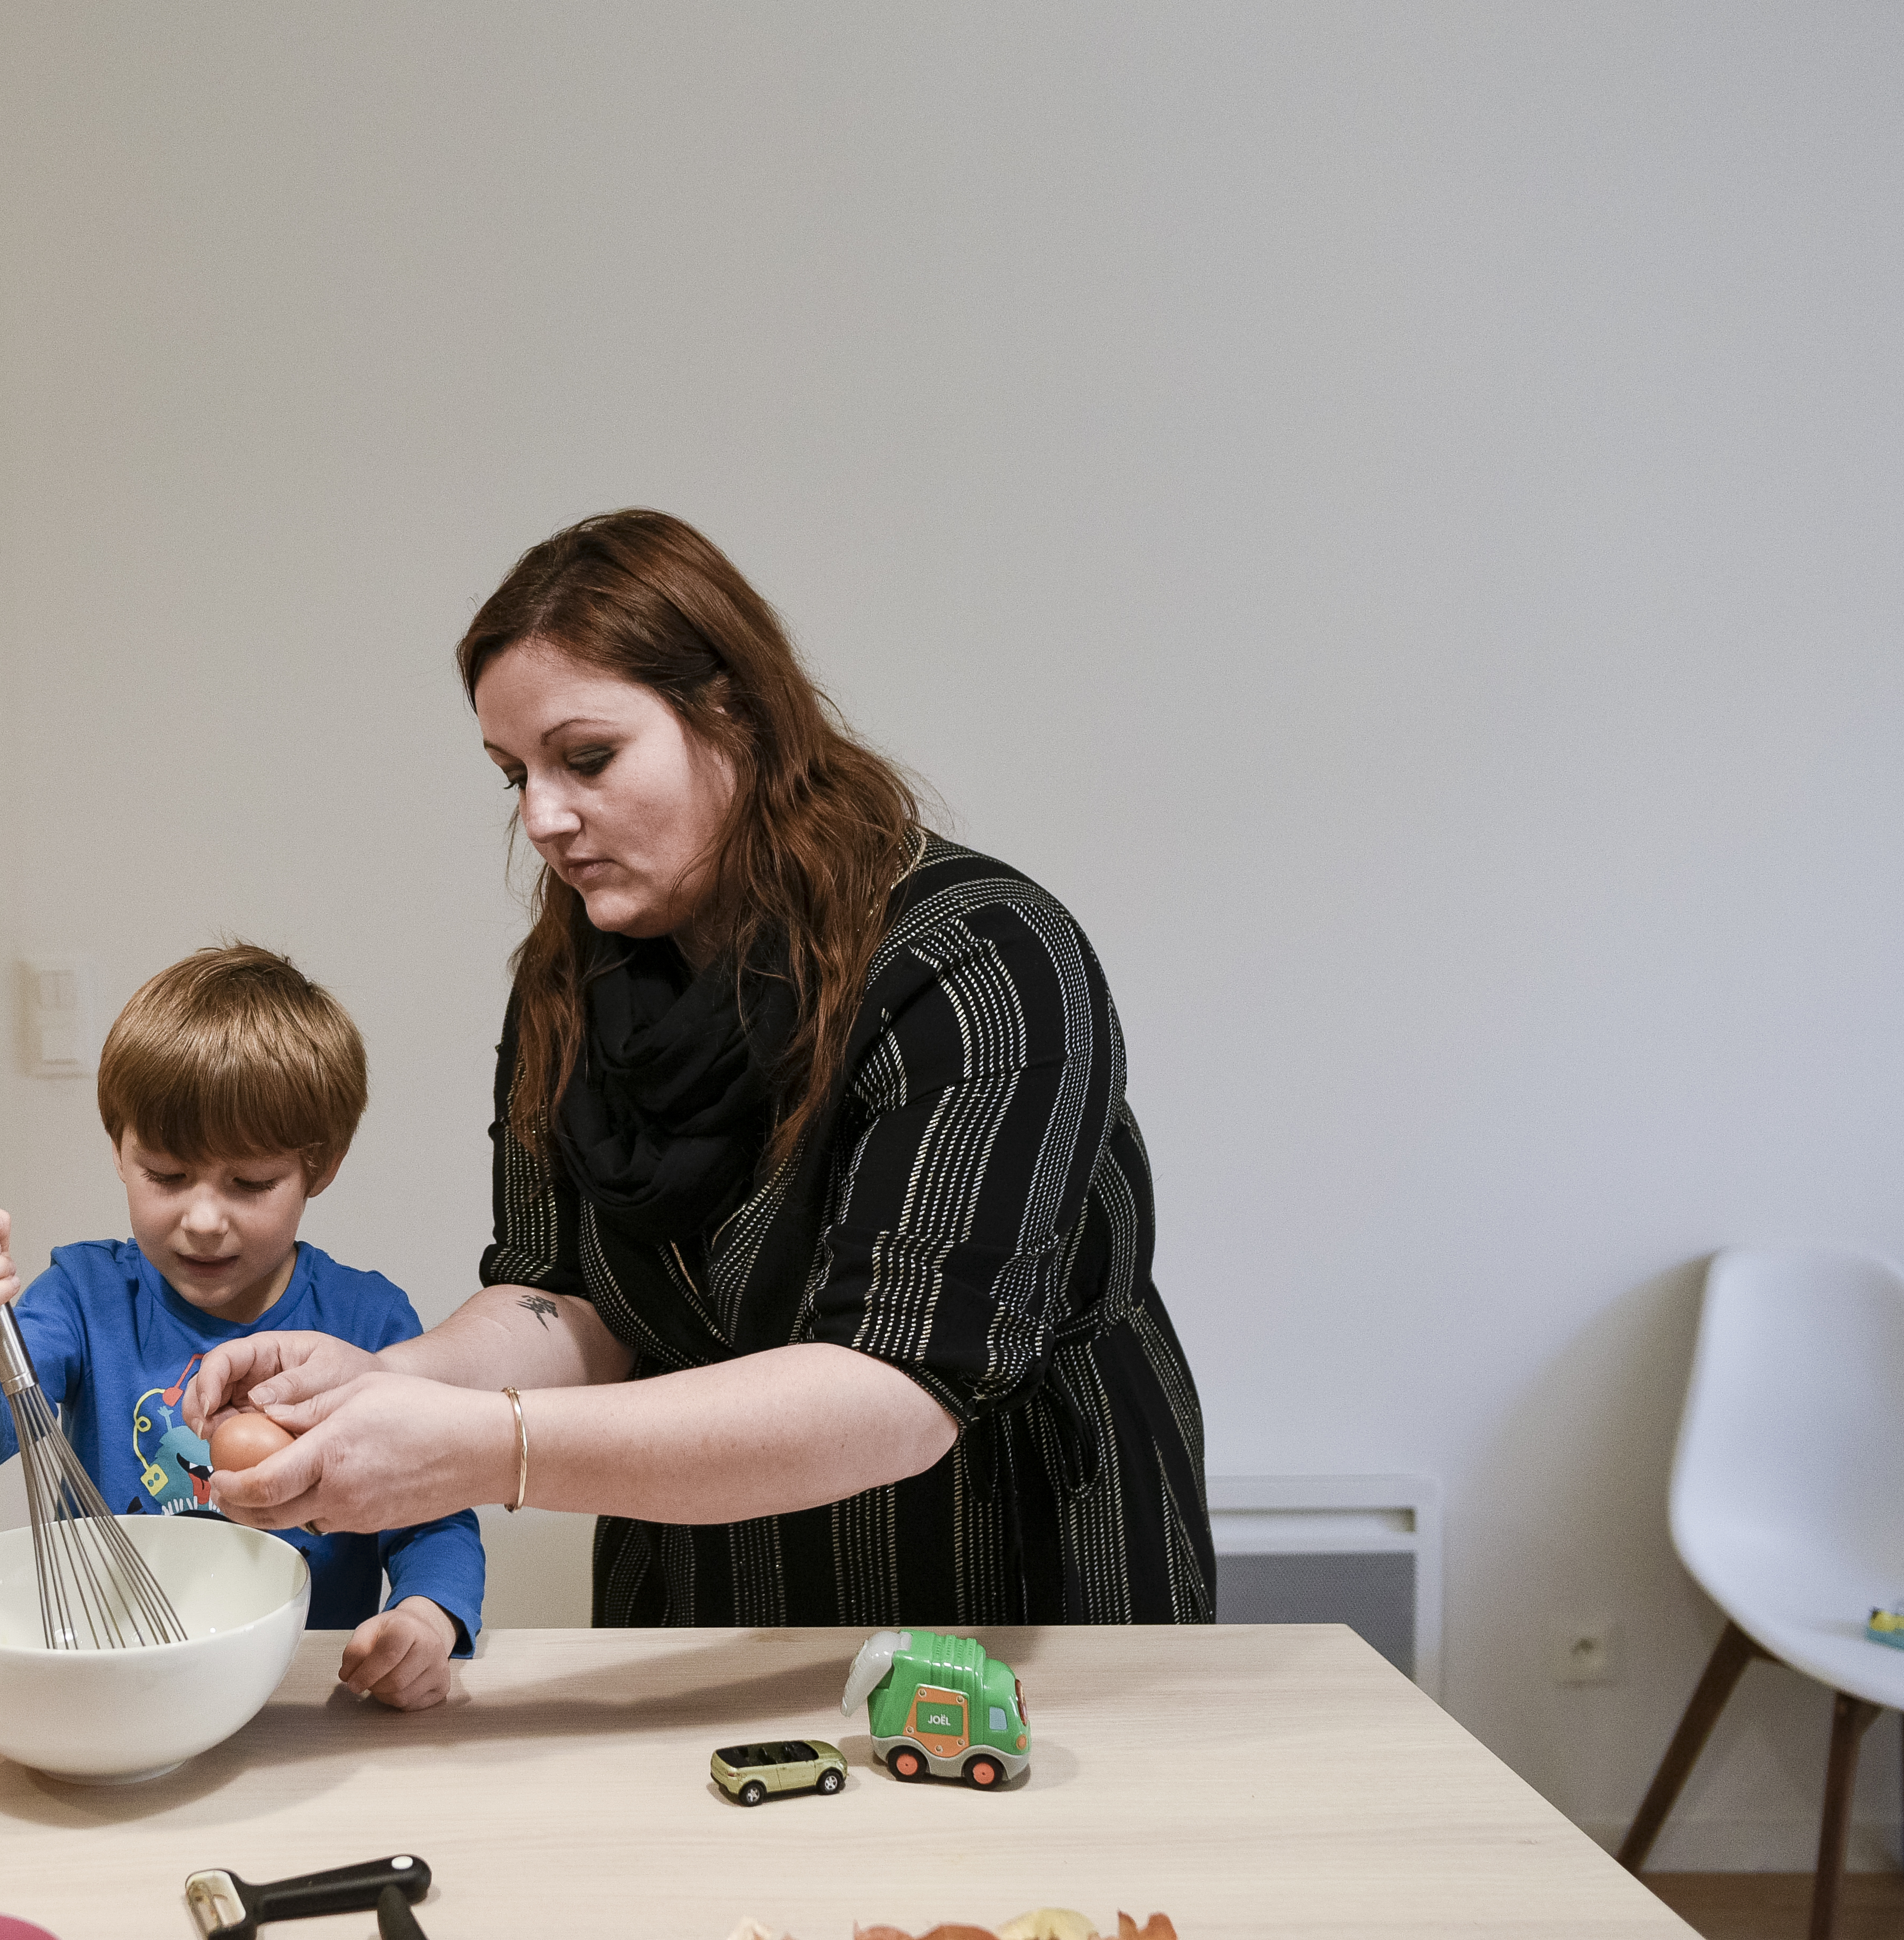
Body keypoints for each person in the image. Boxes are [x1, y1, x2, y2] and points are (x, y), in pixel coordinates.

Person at [193, 509, 1213, 1628]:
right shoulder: (570, 979)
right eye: (512, 773)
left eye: (586, 757)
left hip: (1000, 1581)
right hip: (710, 1579)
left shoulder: (975, 964)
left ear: (735, 711)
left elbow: (895, 1390)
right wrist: (395, 1381)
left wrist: (490, 1447)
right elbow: (563, 1295)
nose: (541, 816)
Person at [0, 943, 485, 1707]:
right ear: (119, 1150)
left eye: (250, 1183)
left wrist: (426, 1618)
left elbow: (435, 1514)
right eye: (167, 1176)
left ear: (323, 1166)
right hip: (119, 1678)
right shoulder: (84, 1295)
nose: (204, 1220)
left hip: (297, 1690)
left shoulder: (366, 1323)